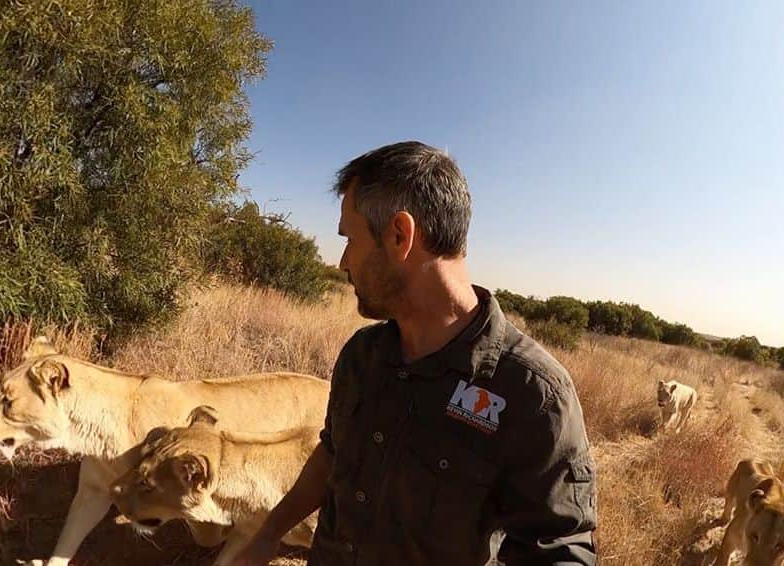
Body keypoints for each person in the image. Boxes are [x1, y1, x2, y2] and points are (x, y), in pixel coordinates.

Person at [232, 141, 597, 565]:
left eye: (349, 239)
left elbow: (561, 550)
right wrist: (270, 530)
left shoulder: (532, 394)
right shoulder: (361, 356)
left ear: (400, 236)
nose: (342, 262)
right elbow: (333, 453)